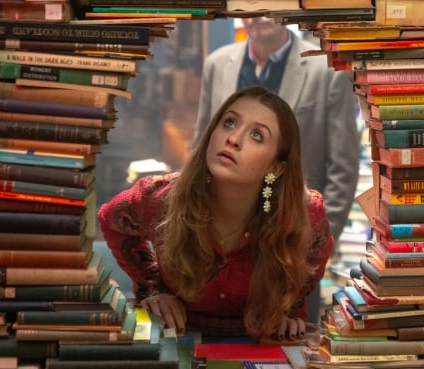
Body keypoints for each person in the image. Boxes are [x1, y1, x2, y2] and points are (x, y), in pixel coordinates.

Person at [98, 87, 334, 340]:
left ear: (276, 167)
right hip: (177, 337)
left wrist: (290, 311)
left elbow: (310, 266)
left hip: (261, 341)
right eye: (229, 122)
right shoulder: (162, 196)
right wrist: (152, 289)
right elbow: (110, 221)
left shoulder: (305, 213)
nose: (232, 138)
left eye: (257, 135)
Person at [193, 17, 361, 245]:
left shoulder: (327, 70)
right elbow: (201, 146)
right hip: (216, 235)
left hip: (293, 237)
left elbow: (344, 166)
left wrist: (317, 242)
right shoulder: (217, 64)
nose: (260, 15)